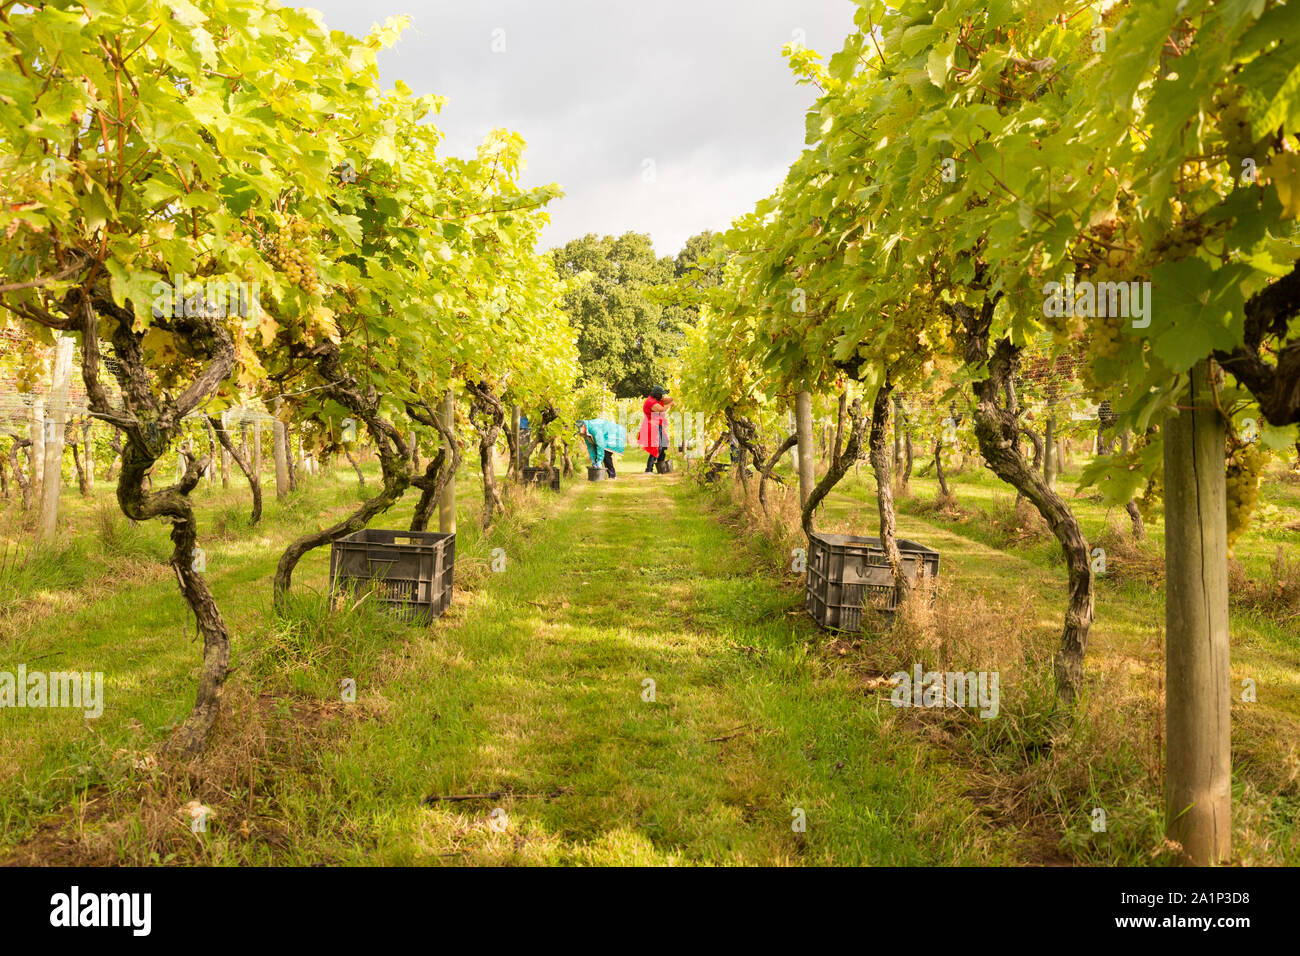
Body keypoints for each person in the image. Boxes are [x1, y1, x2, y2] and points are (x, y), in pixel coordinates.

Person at [639, 386, 673, 473]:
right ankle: (648, 469)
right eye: (662, 395)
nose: (663, 396)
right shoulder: (651, 402)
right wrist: (669, 405)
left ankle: (661, 467)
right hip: (653, 426)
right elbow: (662, 410)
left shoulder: (655, 399)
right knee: (657, 447)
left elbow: (666, 400)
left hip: (658, 425)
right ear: (657, 395)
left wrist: (671, 399)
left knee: (664, 445)